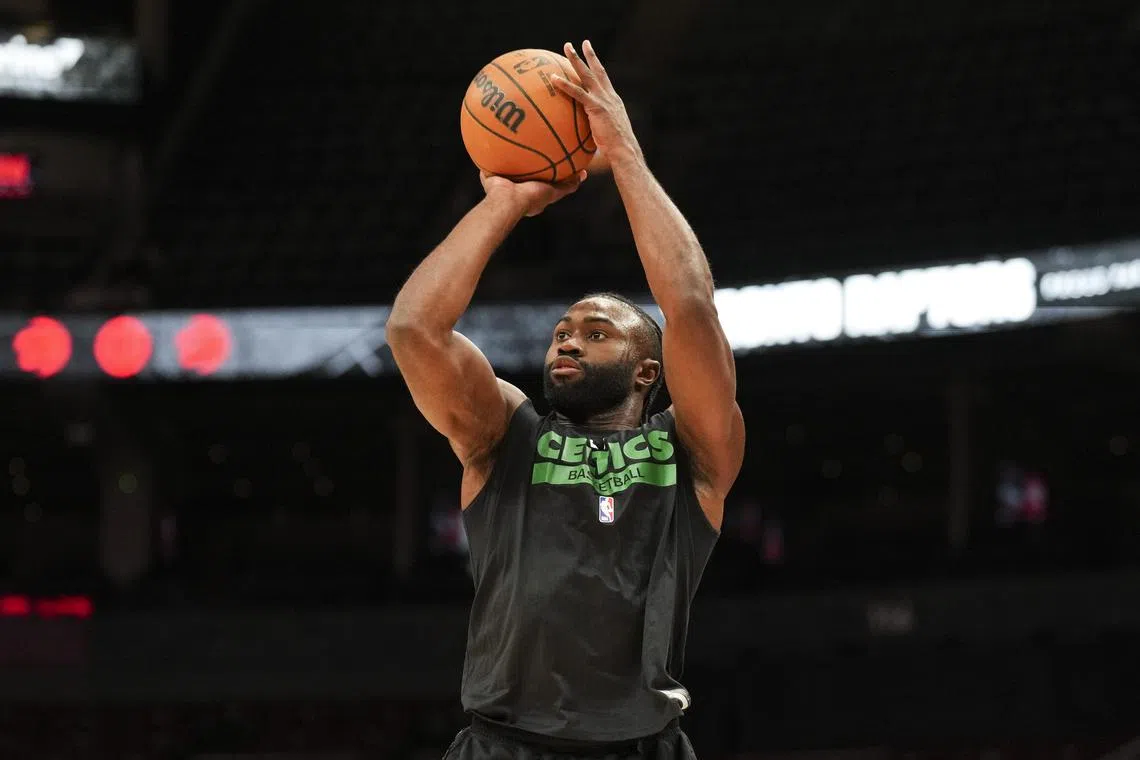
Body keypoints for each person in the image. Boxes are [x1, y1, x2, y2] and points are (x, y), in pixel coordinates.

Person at [387, 40, 745, 760]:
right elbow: (414, 330)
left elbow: (693, 307)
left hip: (642, 744)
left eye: (595, 331)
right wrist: (507, 202)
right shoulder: (505, 436)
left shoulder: (692, 452)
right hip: (503, 744)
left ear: (648, 372)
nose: (567, 342)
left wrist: (626, 156)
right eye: (561, 331)